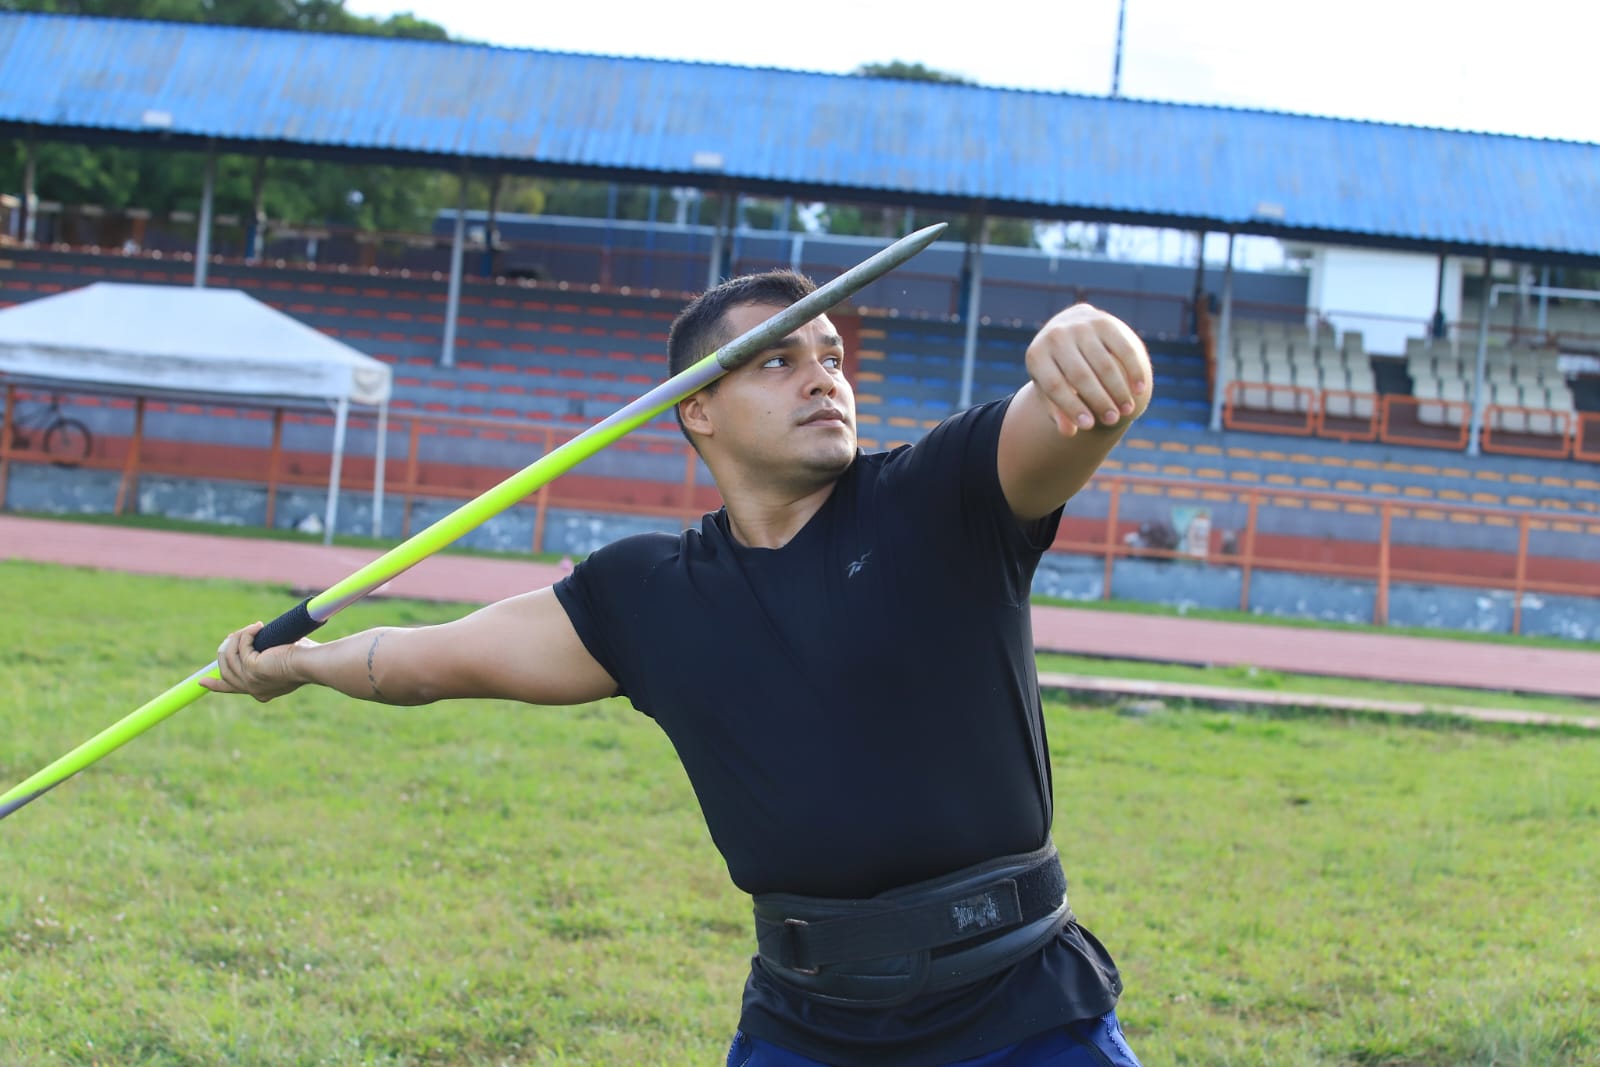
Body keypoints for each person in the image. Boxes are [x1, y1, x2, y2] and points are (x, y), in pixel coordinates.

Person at [204, 268, 1152, 1067]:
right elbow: (428, 658)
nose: (822, 378)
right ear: (696, 407)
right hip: (803, 1022)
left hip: (1021, 1011)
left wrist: (1090, 335)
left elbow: (1077, 413)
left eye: (831, 355)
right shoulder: (647, 593)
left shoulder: (940, 495)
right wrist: (305, 663)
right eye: (778, 358)